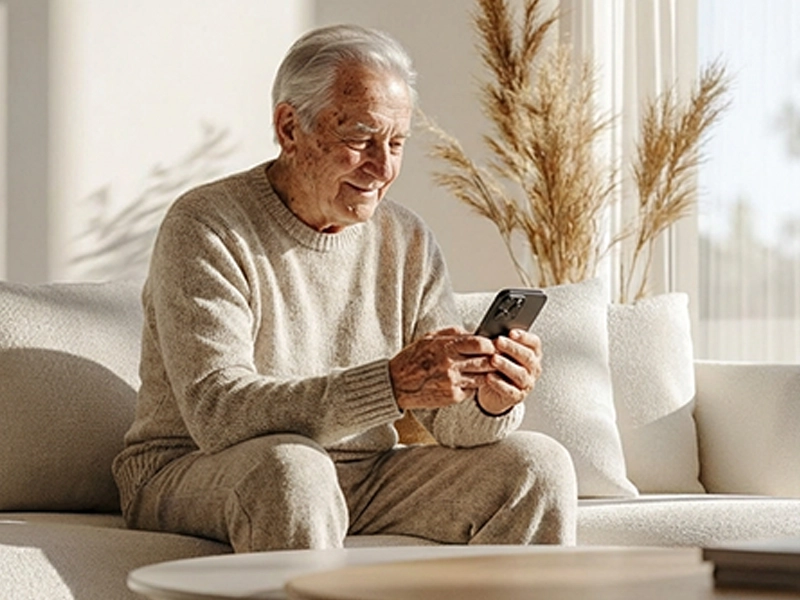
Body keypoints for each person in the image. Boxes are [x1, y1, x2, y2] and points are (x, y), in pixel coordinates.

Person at [112, 23, 577, 552]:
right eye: (360, 138)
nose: (382, 168)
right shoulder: (206, 224)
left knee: (536, 466)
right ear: (290, 128)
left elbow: (449, 424)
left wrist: (489, 399)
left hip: (361, 473)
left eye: (396, 143)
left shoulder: (406, 239)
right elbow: (218, 413)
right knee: (294, 472)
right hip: (198, 467)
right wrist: (391, 385)